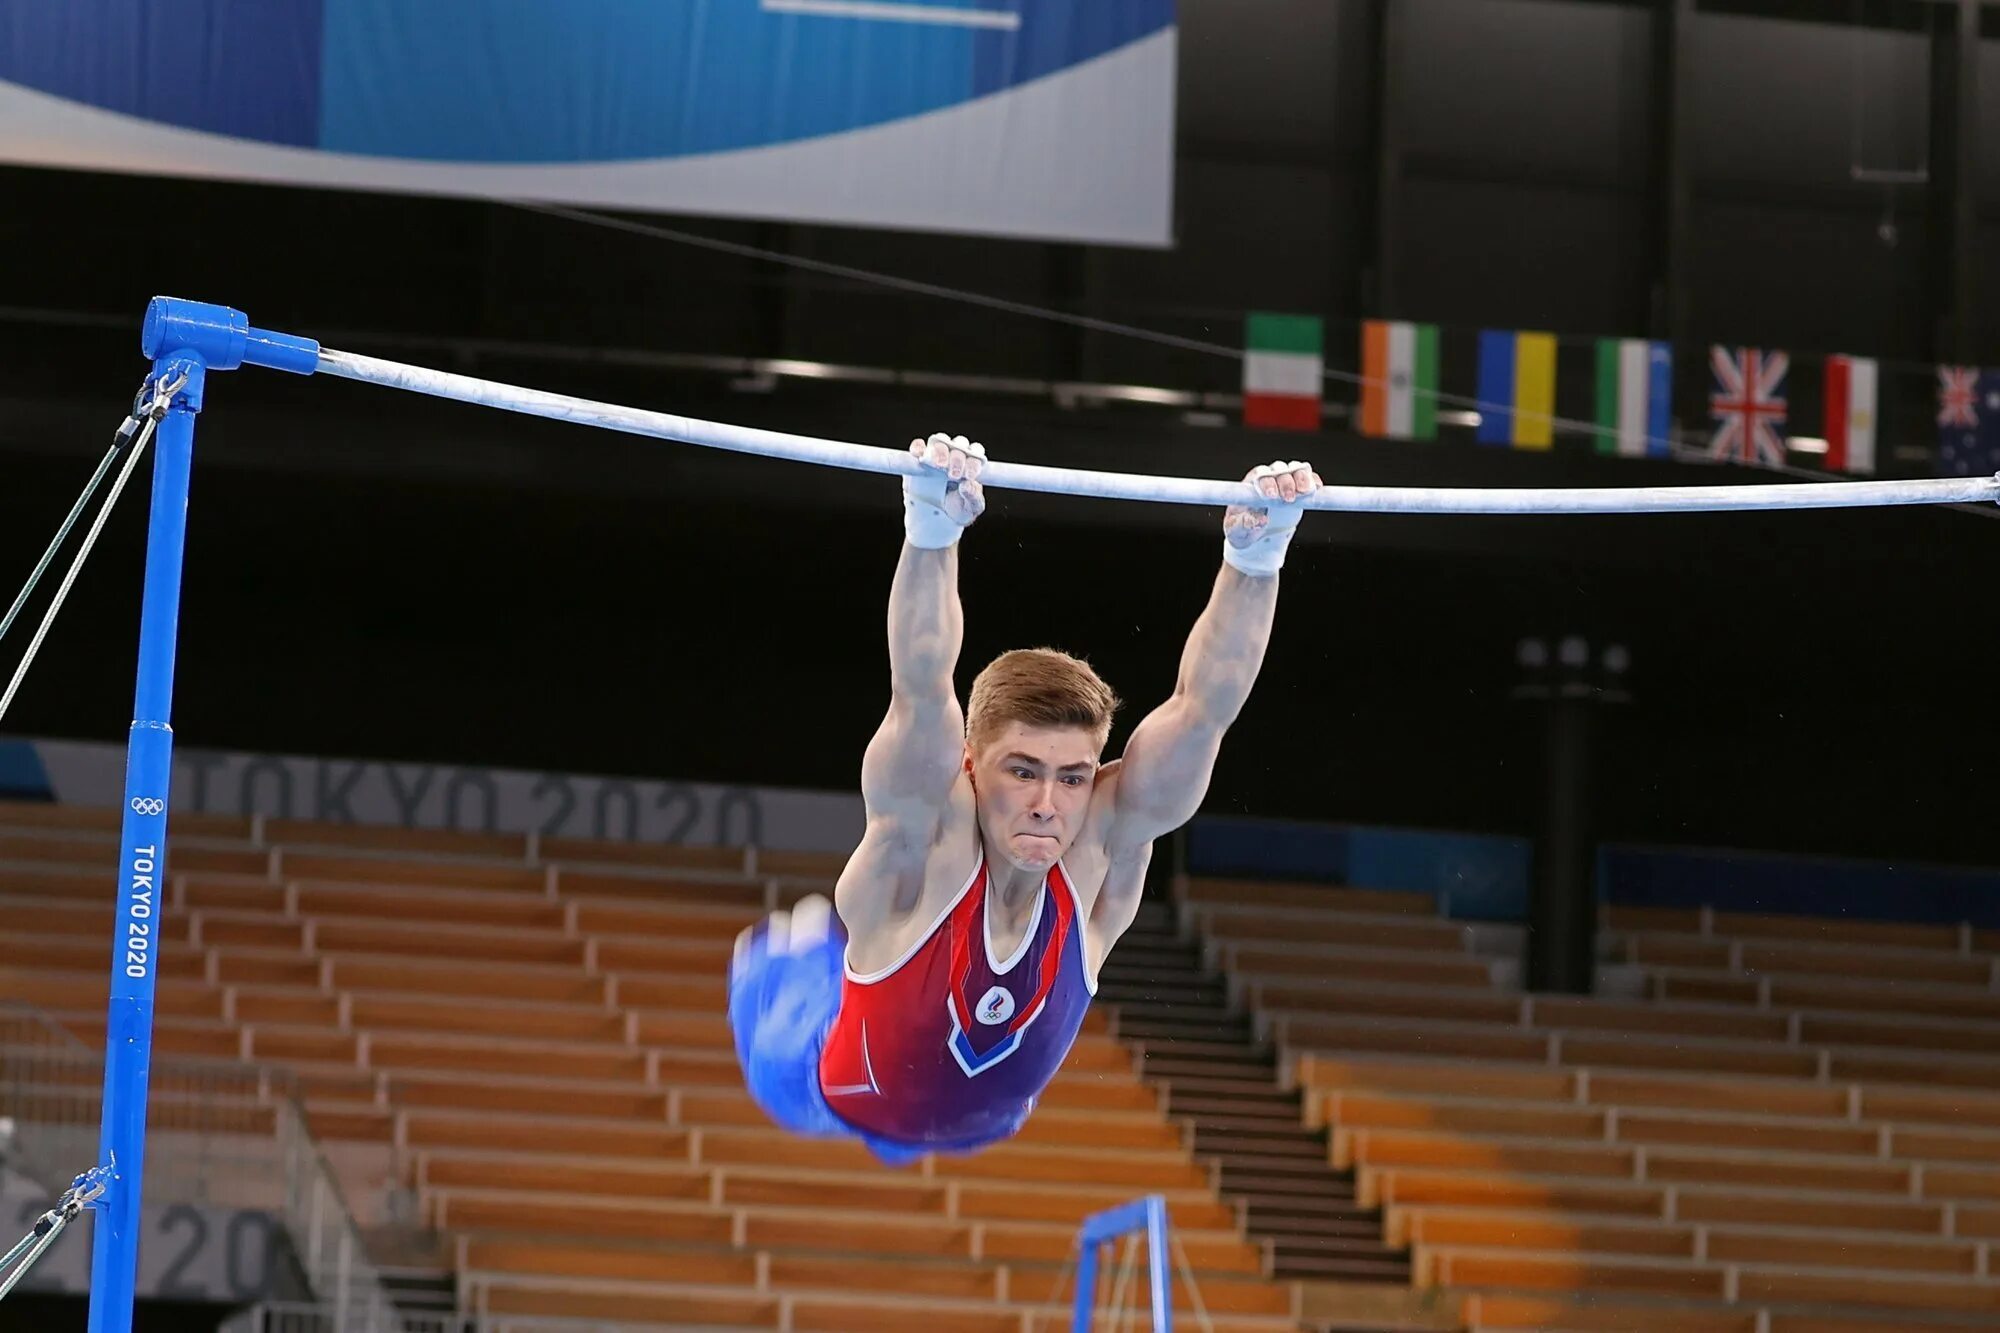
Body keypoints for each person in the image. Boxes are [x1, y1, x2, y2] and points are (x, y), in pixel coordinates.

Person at [728, 432, 1320, 1164]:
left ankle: (813, 951)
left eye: (1073, 776)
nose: (1049, 802)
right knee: (787, 963)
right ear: (972, 766)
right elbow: (919, 689)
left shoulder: (1102, 846)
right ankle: (795, 960)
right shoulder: (929, 841)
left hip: (982, 1124)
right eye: (1022, 770)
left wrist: (1255, 560)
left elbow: (1204, 708)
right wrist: (931, 531)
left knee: (1191, 734)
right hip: (811, 1078)